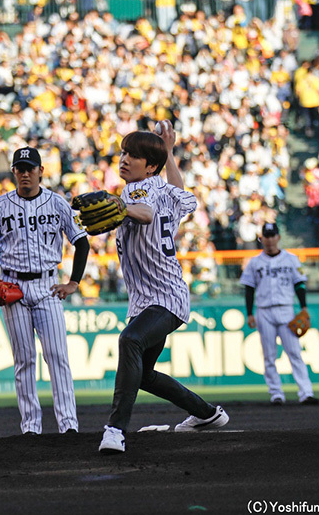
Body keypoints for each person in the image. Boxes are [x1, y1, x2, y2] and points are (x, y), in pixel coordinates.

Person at [98, 121, 229, 455]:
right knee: (143, 374)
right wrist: (169, 152)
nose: (124, 159)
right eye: (124, 152)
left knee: (129, 340)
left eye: (135, 155)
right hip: (155, 297)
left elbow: (144, 213)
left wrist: (122, 207)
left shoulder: (135, 191)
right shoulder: (166, 188)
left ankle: (115, 430)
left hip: (163, 297)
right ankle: (207, 415)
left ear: (150, 166)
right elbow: (181, 192)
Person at [0, 147, 90, 435]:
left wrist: (74, 282)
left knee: (57, 356)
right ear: (14, 172)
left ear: (41, 171)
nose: (25, 173)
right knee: (24, 359)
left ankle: (69, 425)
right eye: (20, 168)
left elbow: (82, 243)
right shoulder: (0, 206)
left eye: (30, 168)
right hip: (13, 287)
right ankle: (30, 427)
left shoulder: (58, 203)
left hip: (48, 285)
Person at [240, 222, 319, 406]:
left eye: (272, 235)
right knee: (269, 355)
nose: (269, 239)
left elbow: (299, 284)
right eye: (266, 236)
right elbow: (249, 289)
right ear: (262, 239)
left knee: (294, 352)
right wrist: (249, 313)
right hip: (264, 311)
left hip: (286, 309)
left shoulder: (291, 259)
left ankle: (306, 392)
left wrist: (304, 307)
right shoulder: (255, 262)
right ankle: (276, 393)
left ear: (278, 237)